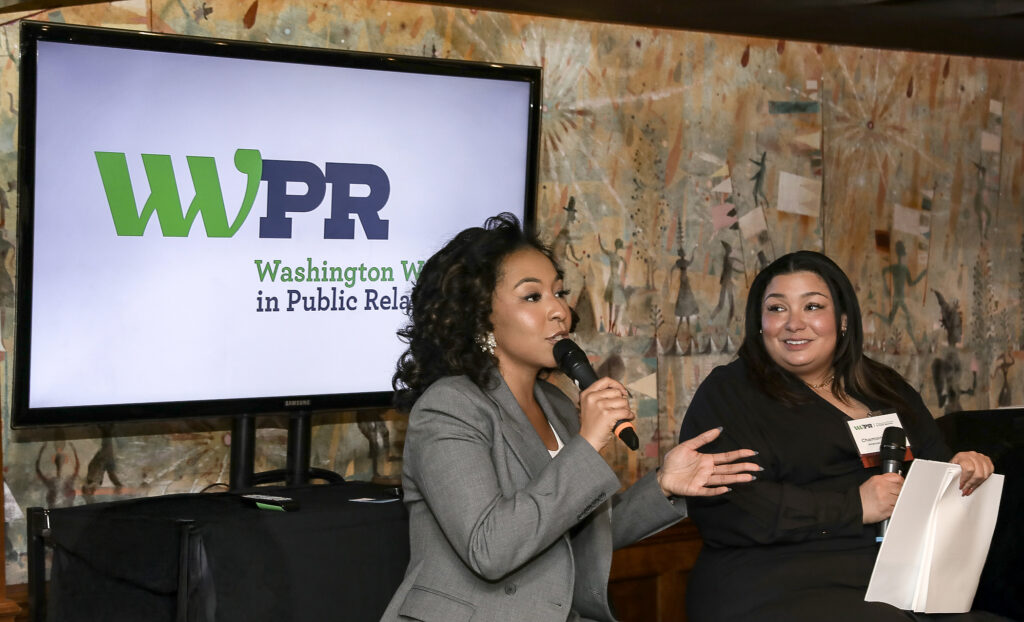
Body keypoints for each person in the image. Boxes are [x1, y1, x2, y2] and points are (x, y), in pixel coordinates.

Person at [381, 213, 759, 622]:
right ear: (479, 317)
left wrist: (664, 485)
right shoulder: (450, 406)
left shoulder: (556, 405)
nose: (560, 310)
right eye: (532, 297)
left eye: (558, 293)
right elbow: (491, 549)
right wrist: (589, 443)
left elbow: (576, 537)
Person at [679, 250, 1003, 622]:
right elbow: (729, 506)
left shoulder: (883, 385)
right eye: (777, 309)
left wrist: (958, 470)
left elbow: (932, 469)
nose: (794, 324)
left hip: (898, 579)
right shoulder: (729, 392)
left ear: (844, 320)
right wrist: (855, 506)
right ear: (759, 323)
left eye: (813, 307)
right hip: (776, 580)